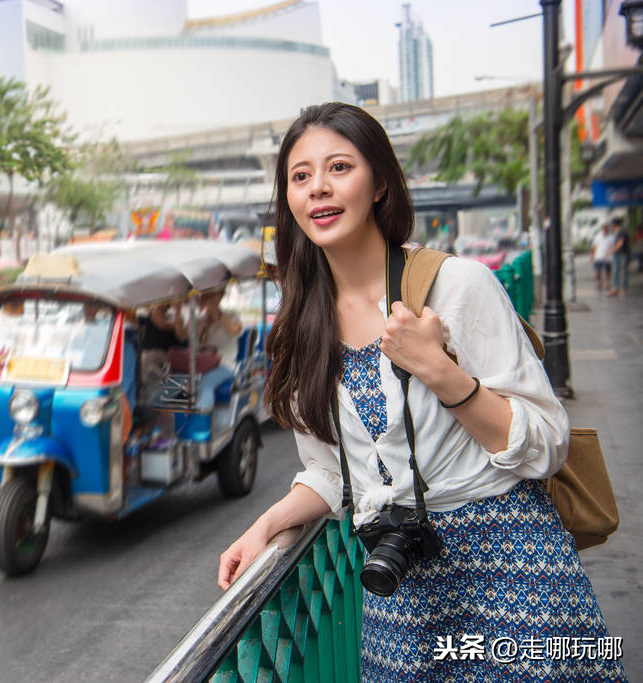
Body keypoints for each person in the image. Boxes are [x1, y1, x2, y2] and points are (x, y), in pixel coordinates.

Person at [217, 103, 625, 681]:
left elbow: (547, 443)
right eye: (301, 176)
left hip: (513, 568)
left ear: (380, 182)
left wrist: (440, 370)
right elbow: (335, 472)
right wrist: (264, 525)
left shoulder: (457, 285)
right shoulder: (301, 327)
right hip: (400, 594)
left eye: (339, 167)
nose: (319, 189)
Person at [190, 288, 242, 412]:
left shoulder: (231, 317)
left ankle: (202, 423)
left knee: (205, 384)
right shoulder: (199, 321)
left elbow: (235, 330)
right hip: (200, 366)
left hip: (224, 366)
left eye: (212, 295)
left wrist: (215, 311)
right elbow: (182, 335)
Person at [608, 217, 630, 298]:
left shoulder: (622, 232)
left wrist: (611, 251)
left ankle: (623, 290)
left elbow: (620, 243)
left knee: (624, 272)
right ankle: (615, 289)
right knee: (616, 271)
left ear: (616, 225)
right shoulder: (616, 233)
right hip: (617, 254)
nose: (612, 227)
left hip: (623, 254)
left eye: (613, 225)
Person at [590, 222, 616, 292]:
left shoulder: (612, 237)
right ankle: (599, 282)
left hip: (608, 257)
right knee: (597, 271)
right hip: (599, 256)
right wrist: (592, 256)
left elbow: (614, 247)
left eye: (606, 229)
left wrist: (611, 253)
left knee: (608, 271)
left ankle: (607, 283)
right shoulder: (598, 236)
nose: (605, 230)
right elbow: (593, 246)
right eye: (604, 229)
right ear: (602, 229)